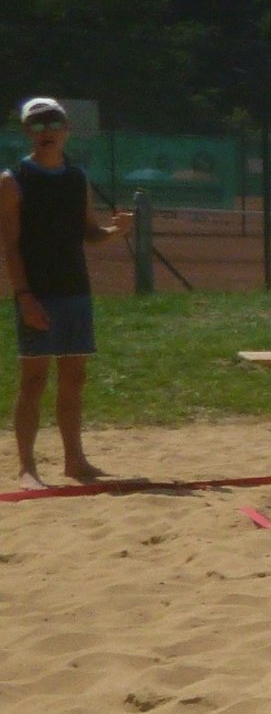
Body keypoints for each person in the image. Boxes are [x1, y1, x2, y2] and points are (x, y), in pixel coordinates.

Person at [3, 97, 131, 491]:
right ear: (27, 131)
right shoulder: (12, 181)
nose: (47, 131)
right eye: (38, 125)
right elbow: (10, 245)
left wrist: (116, 232)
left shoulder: (77, 178)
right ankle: (27, 466)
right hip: (37, 291)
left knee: (74, 377)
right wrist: (24, 297)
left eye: (53, 123)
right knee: (34, 379)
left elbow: (88, 233)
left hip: (75, 288)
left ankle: (74, 461)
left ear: (66, 129)